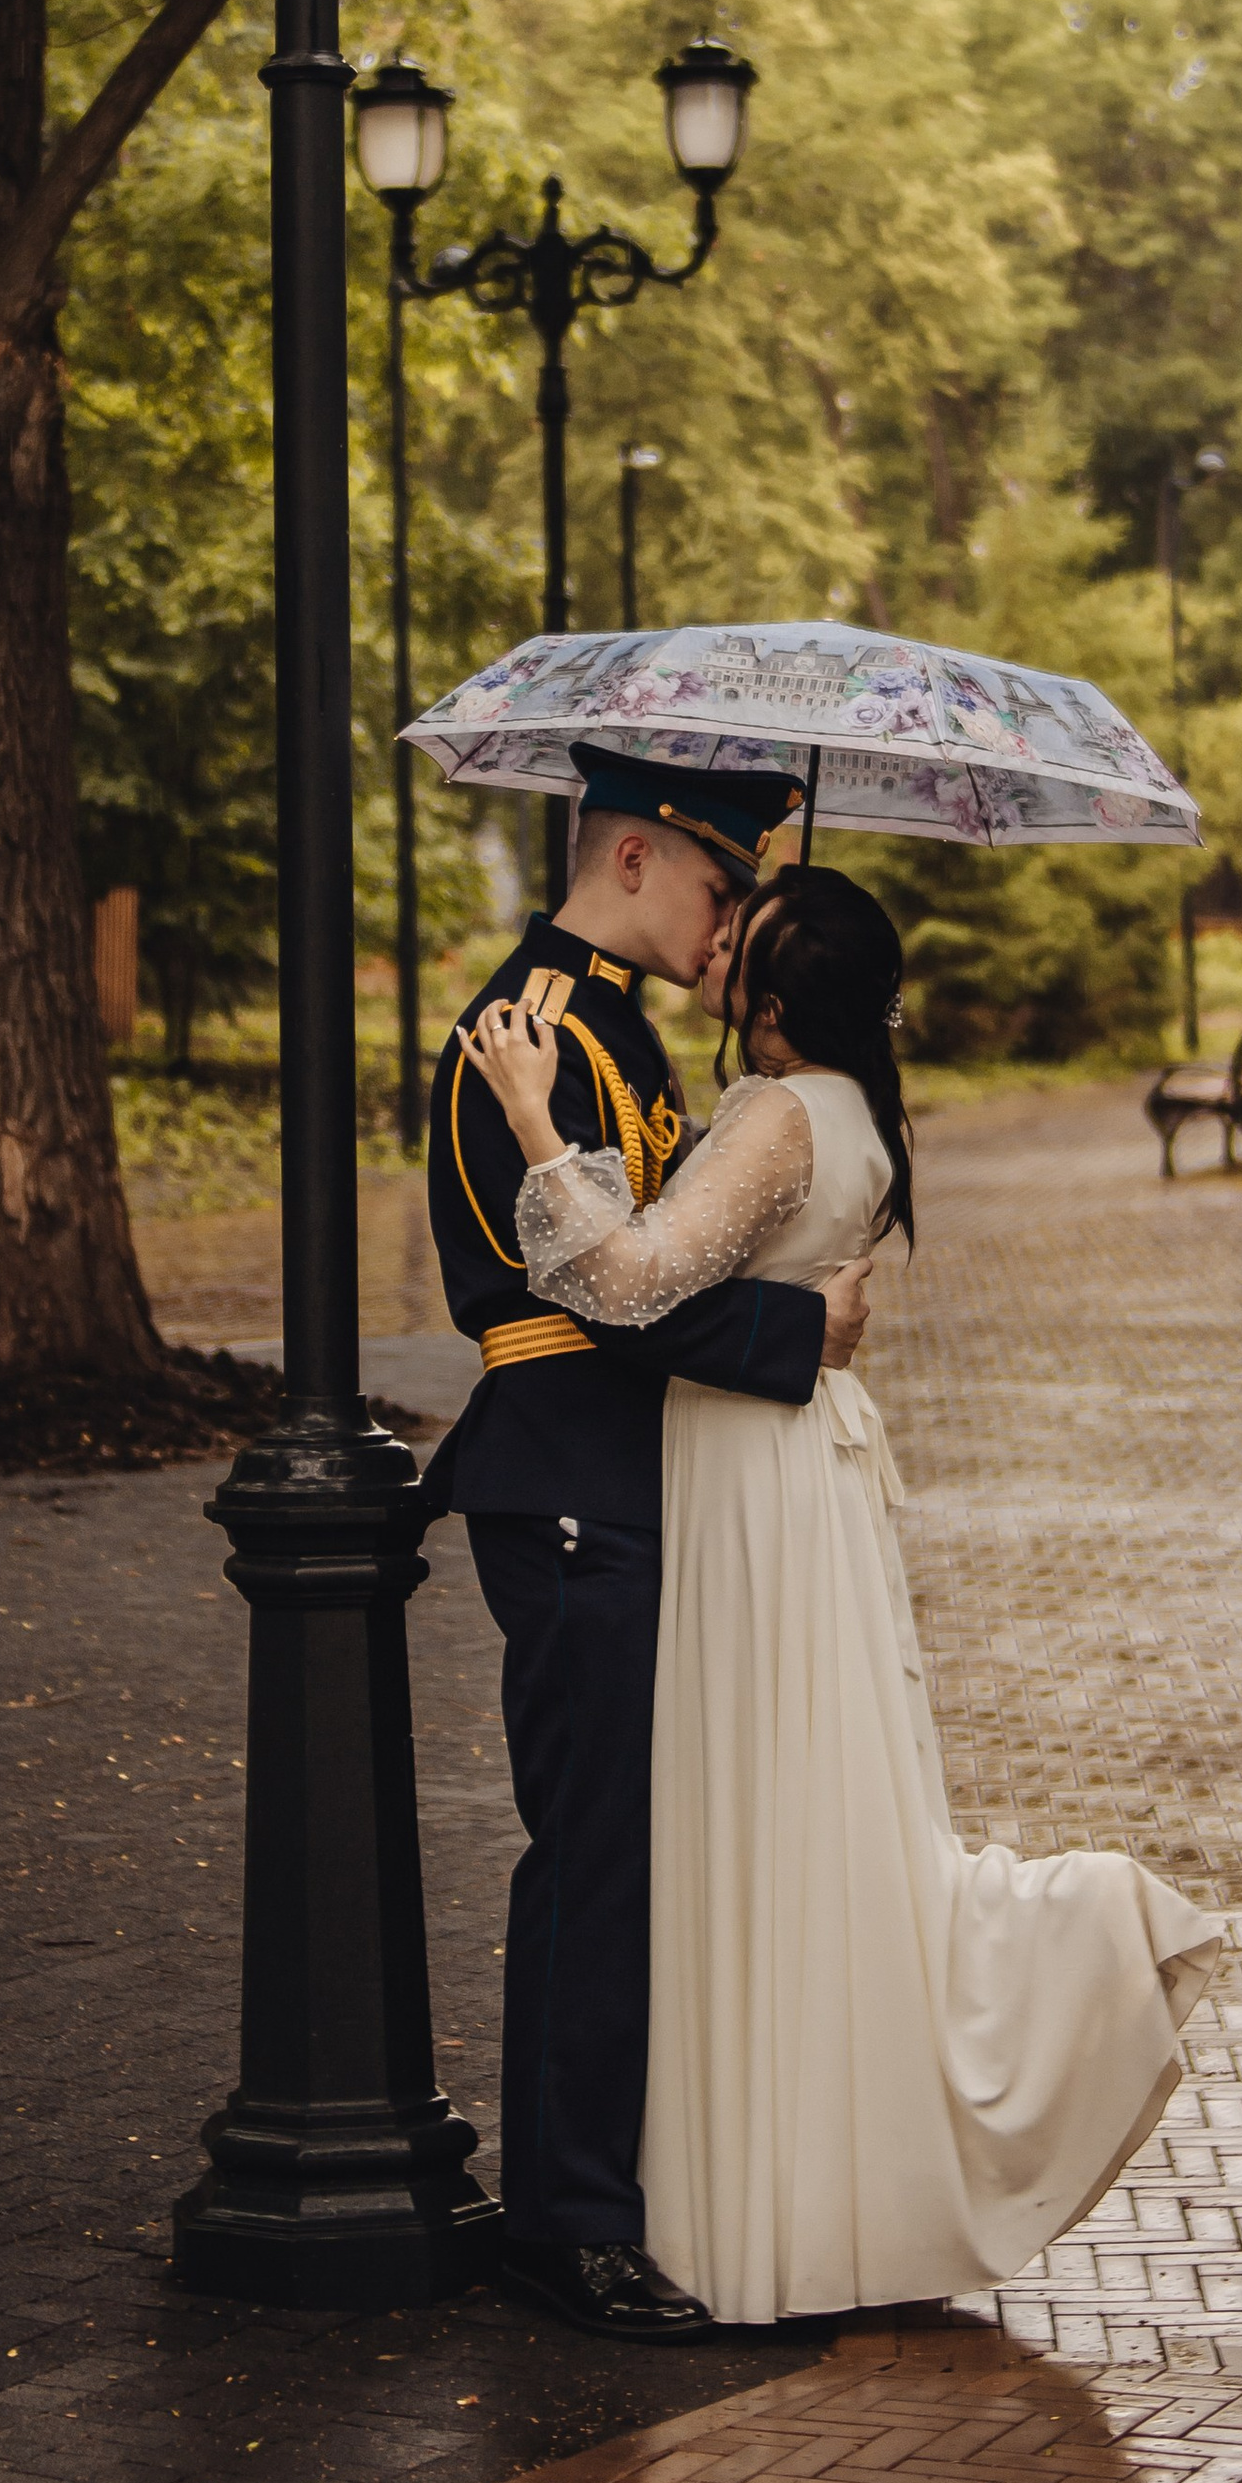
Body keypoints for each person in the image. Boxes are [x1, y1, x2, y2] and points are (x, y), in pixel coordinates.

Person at [459, 859, 1220, 2326]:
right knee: (792, 1813)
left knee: (762, 1815)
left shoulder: (778, 1113)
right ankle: (775, 2164)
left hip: (748, 1484)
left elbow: (625, 1282)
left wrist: (536, 1117)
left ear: (773, 1000)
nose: (715, 946)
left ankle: (1073, 1948)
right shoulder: (857, 1113)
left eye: (741, 944)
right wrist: (804, 1315)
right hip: (787, 1470)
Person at [422, 745, 874, 2343]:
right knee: (598, 1853)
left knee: (625, 1848)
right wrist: (800, 1326)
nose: (733, 922)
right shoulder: (532, 1032)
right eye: (718, 884)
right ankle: (569, 2224)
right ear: (630, 862)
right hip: (566, 1472)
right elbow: (602, 1300)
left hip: (616, 1478)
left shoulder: (609, 1028)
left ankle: (594, 2190)